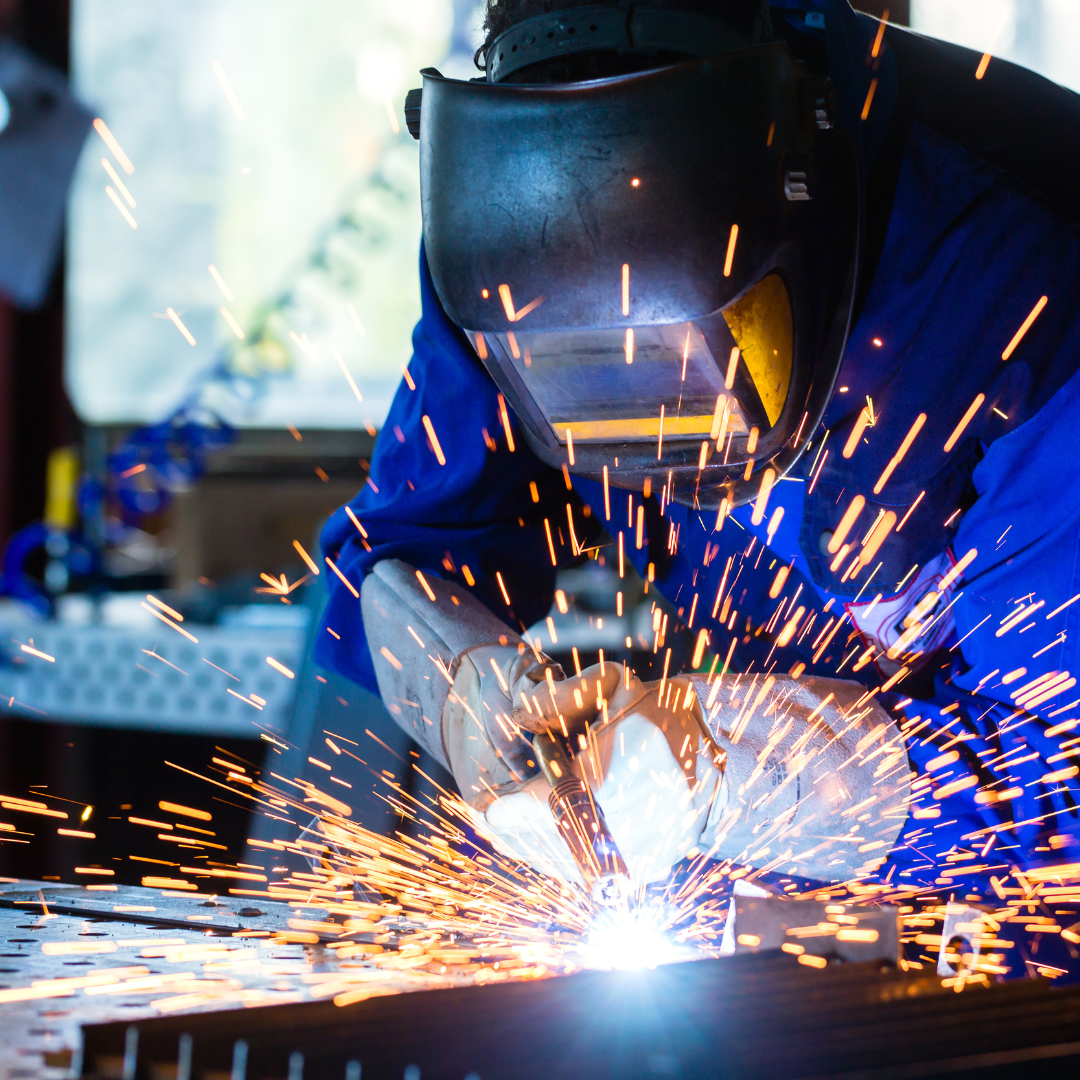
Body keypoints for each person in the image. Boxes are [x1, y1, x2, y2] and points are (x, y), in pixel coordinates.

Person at [316, 0, 1080, 898]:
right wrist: (471, 695)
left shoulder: (1030, 273)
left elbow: (1055, 792)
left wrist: (722, 768)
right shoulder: (502, 244)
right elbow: (401, 551)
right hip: (747, 923)